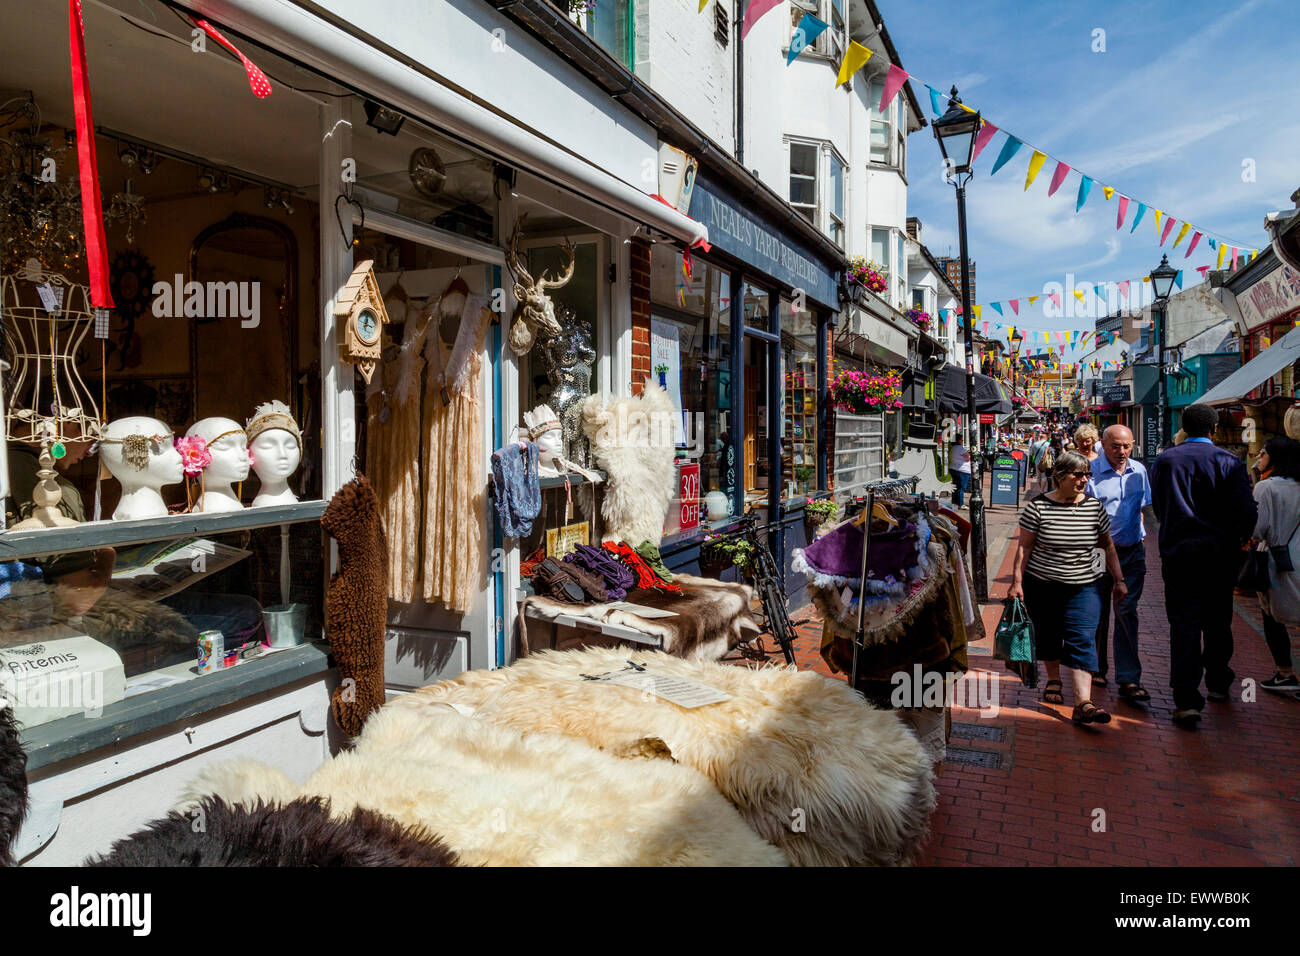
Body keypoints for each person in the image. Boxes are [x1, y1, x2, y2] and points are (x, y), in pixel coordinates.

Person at [1150, 403, 1257, 728]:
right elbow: (1247, 512)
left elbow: (1158, 505)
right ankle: (1218, 681)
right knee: (1218, 621)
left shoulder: (1166, 460)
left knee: (1183, 626)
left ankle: (1186, 699)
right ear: (1213, 429)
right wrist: (1239, 539)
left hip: (1179, 556)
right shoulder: (1229, 462)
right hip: (1219, 556)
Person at [1009, 450, 1127, 725]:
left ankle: (1083, 702)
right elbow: (1024, 548)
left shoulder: (1094, 507)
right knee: (1049, 634)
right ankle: (1053, 679)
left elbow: (1107, 545)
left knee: (1082, 637)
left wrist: (1119, 579)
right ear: (1060, 476)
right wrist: (1016, 582)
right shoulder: (1038, 507)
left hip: (1085, 585)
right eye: (1078, 474)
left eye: (1087, 474)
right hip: (1043, 584)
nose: (1084, 479)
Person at [1086, 424, 1156, 701]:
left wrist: (1139, 533)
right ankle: (1097, 667)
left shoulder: (1139, 471)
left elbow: (1142, 507)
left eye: (1127, 446)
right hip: (1098, 554)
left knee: (1127, 612)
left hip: (1131, 553)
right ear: (1103, 444)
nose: (1122, 451)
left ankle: (1129, 678)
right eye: (1115, 446)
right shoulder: (1091, 474)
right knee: (1098, 611)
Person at [1250, 437, 1300, 694]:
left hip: (1279, 559)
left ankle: (1285, 673)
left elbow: (1257, 529)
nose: (1258, 457)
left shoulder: (1266, 487)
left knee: (1272, 615)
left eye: (1263, 453)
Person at [949, 437, 972, 508]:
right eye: (961, 439)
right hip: (962, 470)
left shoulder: (953, 448)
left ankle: (954, 503)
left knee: (955, 487)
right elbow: (968, 457)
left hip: (953, 468)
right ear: (958, 440)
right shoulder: (960, 448)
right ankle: (960, 504)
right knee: (961, 488)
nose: (962, 441)